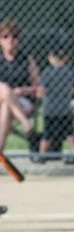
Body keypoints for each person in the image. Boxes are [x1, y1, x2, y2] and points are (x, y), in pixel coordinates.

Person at [0, 20, 40, 154]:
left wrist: (22, 90)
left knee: (6, 105)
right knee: (4, 87)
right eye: (5, 36)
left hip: (22, 101)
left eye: (14, 36)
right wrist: (9, 91)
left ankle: (0, 150)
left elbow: (38, 88)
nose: (10, 40)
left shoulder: (27, 60)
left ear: (19, 40)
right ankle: (26, 124)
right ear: (0, 40)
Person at [35, 48, 74, 163]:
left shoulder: (47, 72)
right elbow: (72, 89)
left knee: (47, 134)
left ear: (50, 58)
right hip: (64, 109)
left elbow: (41, 90)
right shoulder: (68, 72)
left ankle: (42, 155)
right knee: (69, 133)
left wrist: (39, 95)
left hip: (50, 109)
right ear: (66, 58)